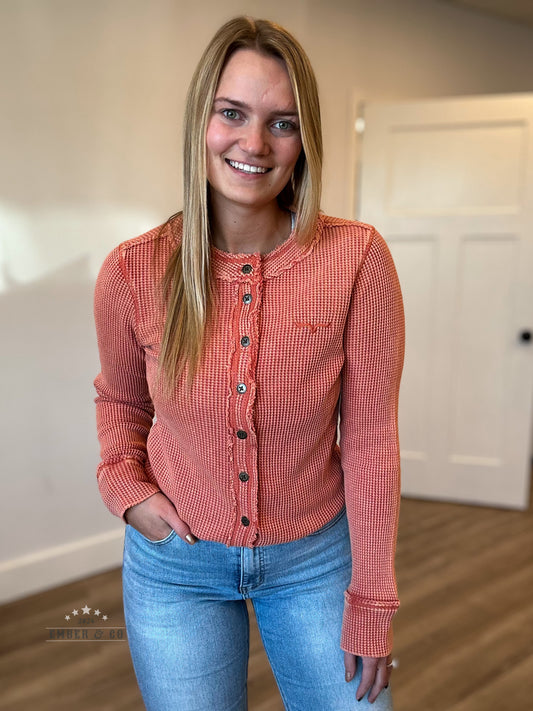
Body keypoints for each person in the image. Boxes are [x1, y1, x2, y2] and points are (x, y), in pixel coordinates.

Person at [93, 15, 404, 711]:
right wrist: (126, 488)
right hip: (176, 567)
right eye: (231, 113)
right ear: (200, 122)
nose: (254, 143)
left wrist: (373, 598)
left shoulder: (356, 259)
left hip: (316, 561)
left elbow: (371, 437)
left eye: (281, 123)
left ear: (304, 139)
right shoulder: (134, 271)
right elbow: (120, 402)